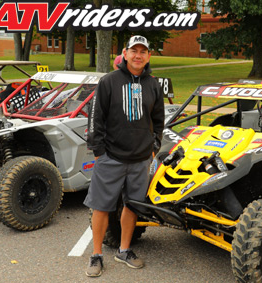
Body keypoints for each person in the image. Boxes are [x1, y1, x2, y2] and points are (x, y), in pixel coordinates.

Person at [84, 35, 164, 277]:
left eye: (143, 51)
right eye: (134, 51)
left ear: (149, 56)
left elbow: (158, 120)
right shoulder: (109, 81)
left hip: (141, 159)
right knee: (101, 206)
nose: (138, 55)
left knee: (132, 205)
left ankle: (124, 250)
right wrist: (99, 153)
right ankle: (96, 255)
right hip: (111, 157)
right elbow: (95, 119)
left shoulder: (153, 84)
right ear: (125, 53)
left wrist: (154, 148)